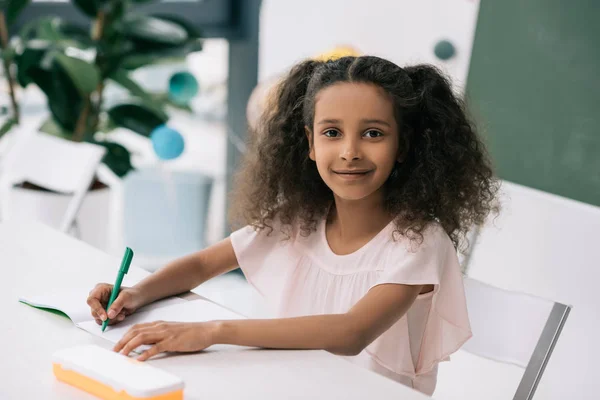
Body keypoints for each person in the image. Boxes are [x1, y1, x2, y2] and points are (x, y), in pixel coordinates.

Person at [87, 55, 499, 395]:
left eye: (373, 133)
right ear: (310, 143)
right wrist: (136, 293)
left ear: (404, 146)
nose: (350, 151)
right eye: (332, 133)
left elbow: (351, 332)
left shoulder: (418, 242)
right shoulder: (299, 219)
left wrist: (212, 331)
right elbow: (200, 267)